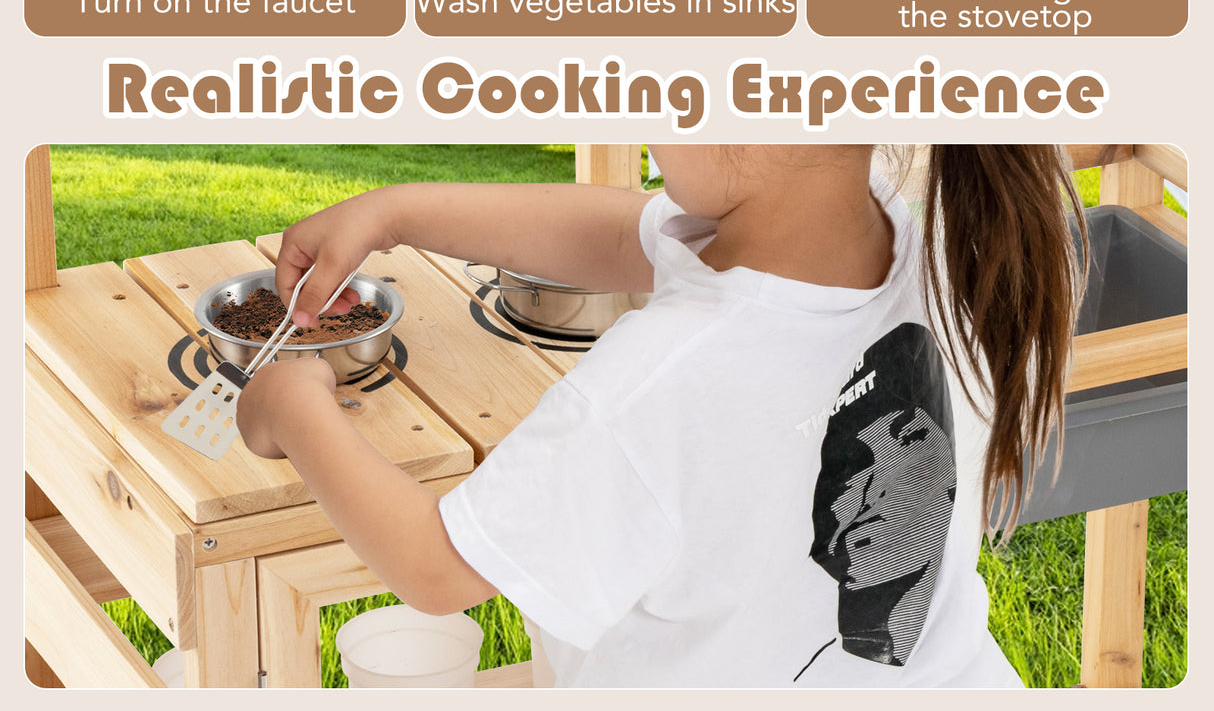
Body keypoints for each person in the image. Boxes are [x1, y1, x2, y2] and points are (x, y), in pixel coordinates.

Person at [236, 145, 1087, 687]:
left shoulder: (652, 389)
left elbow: (436, 569)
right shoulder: (916, 224)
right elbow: (624, 239)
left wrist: (295, 405)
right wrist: (397, 212)